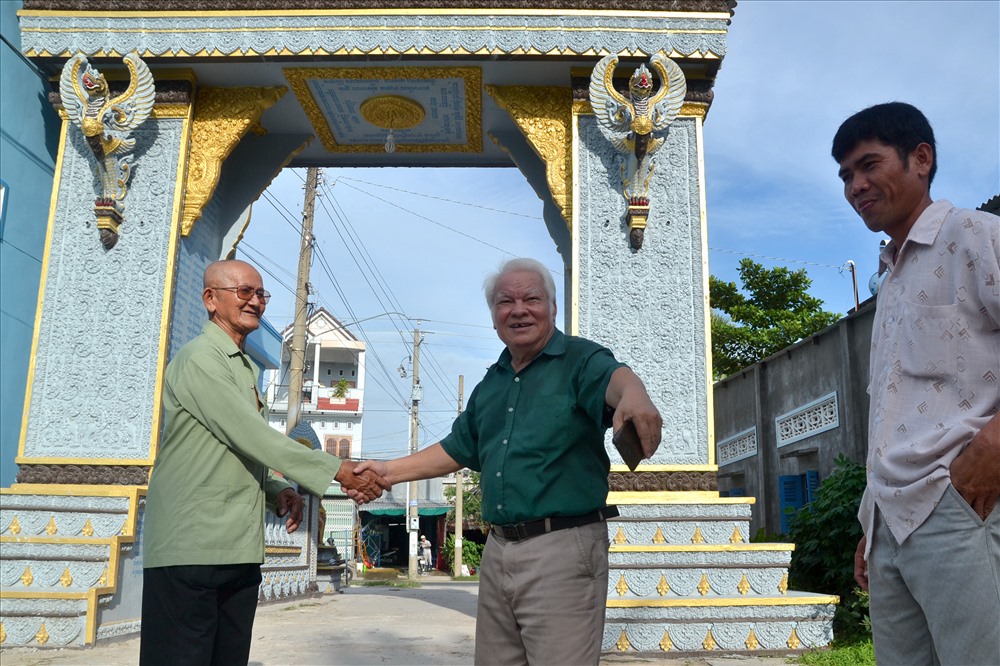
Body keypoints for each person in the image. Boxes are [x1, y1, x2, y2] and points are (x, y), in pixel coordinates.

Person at [355, 257, 662, 665]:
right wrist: (388, 472)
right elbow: (457, 447)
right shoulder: (493, 382)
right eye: (505, 302)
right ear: (494, 318)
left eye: (531, 298)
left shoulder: (578, 360)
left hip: (563, 546)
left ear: (552, 308)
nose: (518, 309)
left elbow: (615, 378)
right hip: (498, 549)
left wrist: (634, 395)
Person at [140, 259, 390, 666]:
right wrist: (337, 469)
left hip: (236, 544)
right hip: (190, 544)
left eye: (261, 294)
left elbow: (233, 450)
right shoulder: (200, 359)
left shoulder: (242, 366)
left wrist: (279, 491)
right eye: (244, 292)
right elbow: (250, 434)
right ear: (210, 299)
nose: (255, 301)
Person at [833, 102, 1000, 664]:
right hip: (890, 524)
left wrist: (993, 445)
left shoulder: (976, 235)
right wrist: (871, 520)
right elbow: (893, 413)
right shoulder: (890, 277)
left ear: (921, 158)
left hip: (963, 505)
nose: (856, 186)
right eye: (846, 176)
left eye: (868, 165)